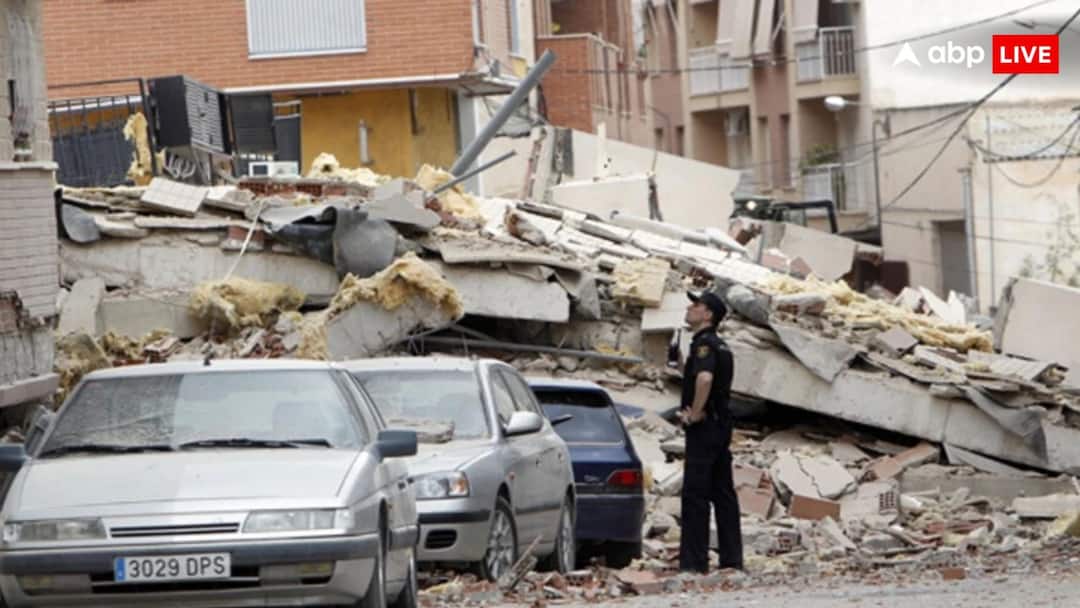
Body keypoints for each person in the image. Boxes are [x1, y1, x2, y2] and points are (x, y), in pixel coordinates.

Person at [676, 290, 743, 573]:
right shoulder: (723, 346)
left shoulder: (704, 345)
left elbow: (704, 378)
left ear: (709, 315)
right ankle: (732, 560)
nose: (690, 308)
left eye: (697, 305)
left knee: (695, 494)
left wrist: (694, 413)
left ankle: (694, 562)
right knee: (723, 494)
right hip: (721, 426)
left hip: (705, 428)